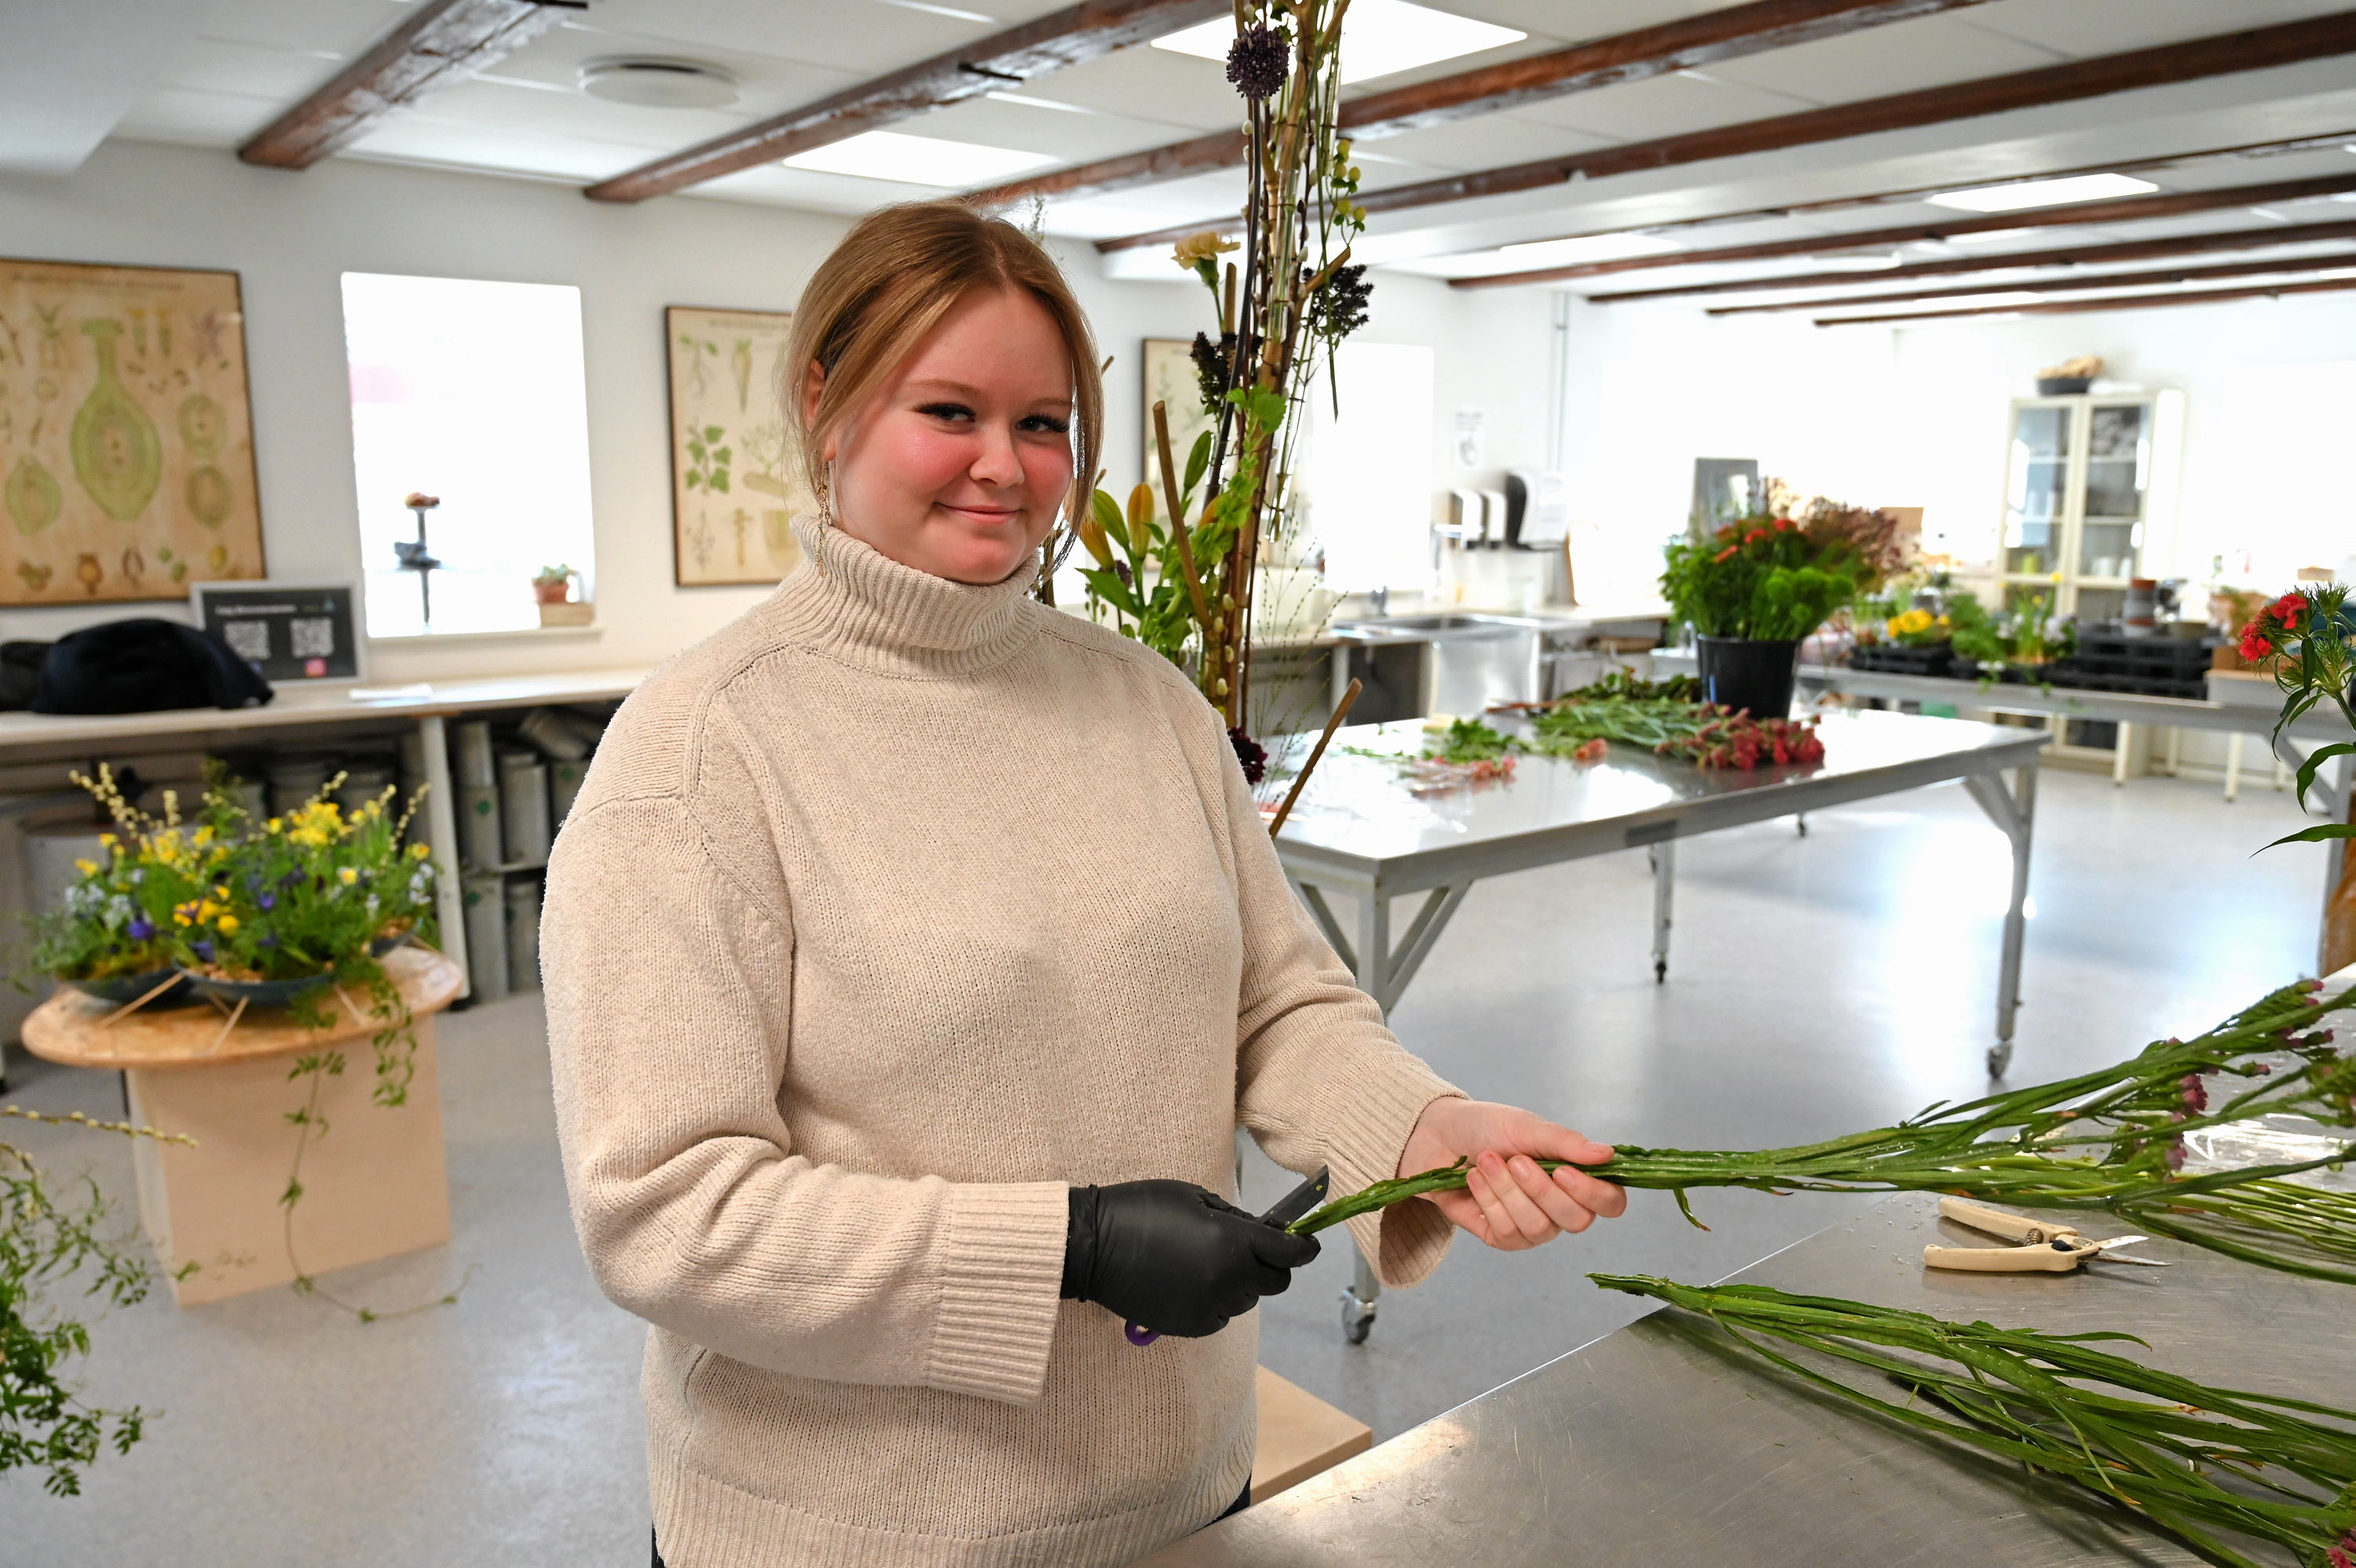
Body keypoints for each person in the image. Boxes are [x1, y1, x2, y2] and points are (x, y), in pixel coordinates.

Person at [541, 200, 1626, 1568]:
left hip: (1179, 1494)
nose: (1004, 466)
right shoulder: (704, 752)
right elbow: (661, 1209)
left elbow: (1274, 1003)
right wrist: (1070, 1245)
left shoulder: (1148, 707)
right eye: (951, 410)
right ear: (826, 402)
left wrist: (1419, 1123)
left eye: (1043, 424)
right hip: (852, 1534)